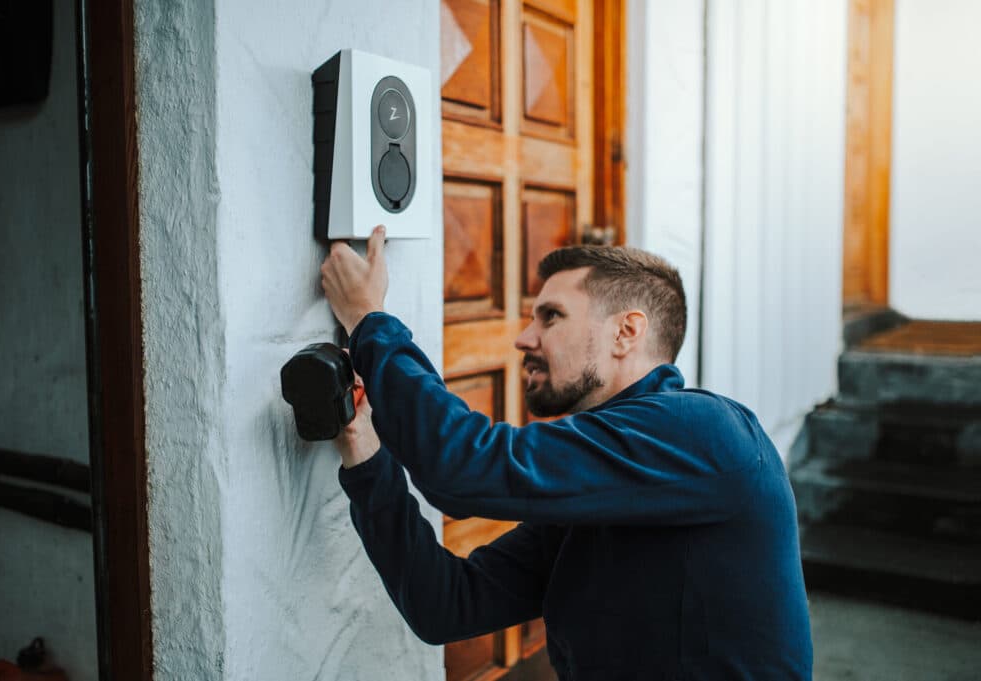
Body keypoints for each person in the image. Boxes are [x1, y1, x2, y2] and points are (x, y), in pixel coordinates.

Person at [320, 226, 813, 680]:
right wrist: (364, 451)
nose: (523, 338)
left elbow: (462, 469)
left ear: (627, 332)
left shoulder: (703, 430)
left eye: (550, 317)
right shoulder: (608, 477)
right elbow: (447, 604)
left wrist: (368, 320)